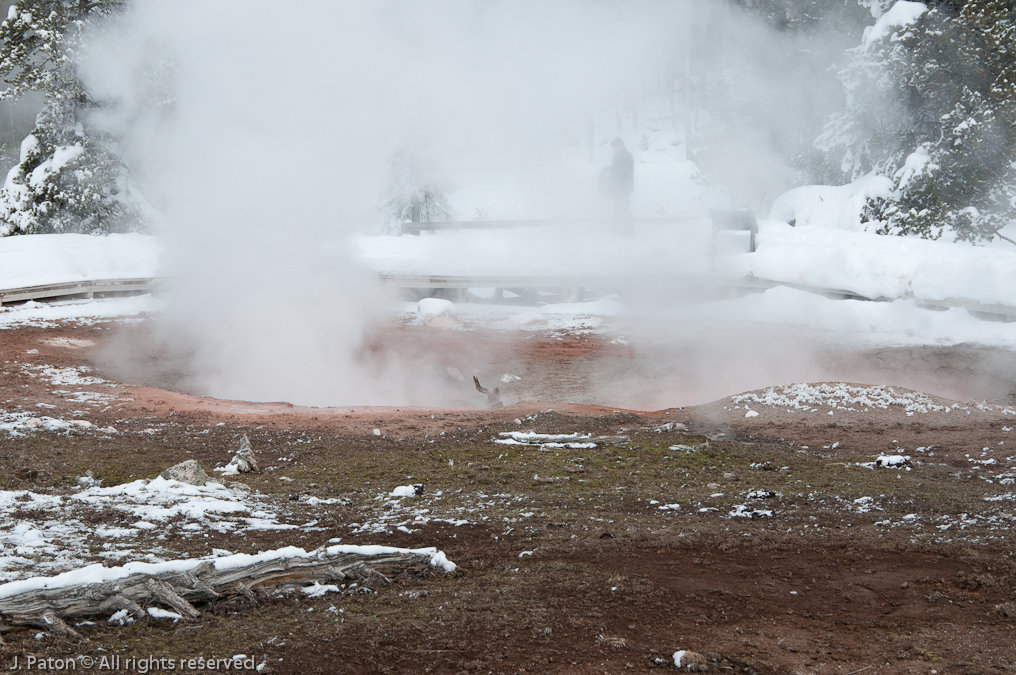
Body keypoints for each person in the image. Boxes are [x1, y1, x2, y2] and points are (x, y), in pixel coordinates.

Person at [601, 137, 634, 234]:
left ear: (622, 146)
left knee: (624, 208)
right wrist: (608, 170)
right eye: (614, 147)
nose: (615, 149)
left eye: (617, 147)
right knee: (617, 207)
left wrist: (612, 171)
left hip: (625, 186)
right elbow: (616, 168)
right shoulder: (616, 156)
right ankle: (615, 227)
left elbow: (625, 170)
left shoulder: (627, 156)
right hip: (618, 186)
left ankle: (629, 231)